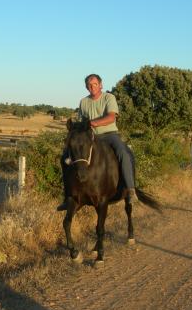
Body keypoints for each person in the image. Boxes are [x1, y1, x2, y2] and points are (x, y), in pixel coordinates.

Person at [57, 73, 138, 211]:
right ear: (86, 87)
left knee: (123, 152)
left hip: (110, 135)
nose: (92, 87)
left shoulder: (109, 98)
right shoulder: (83, 102)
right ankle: (68, 197)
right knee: (65, 157)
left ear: (100, 85)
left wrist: (93, 123)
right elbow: (82, 124)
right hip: (91, 137)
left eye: (95, 84)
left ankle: (130, 190)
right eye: (89, 85)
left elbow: (111, 117)